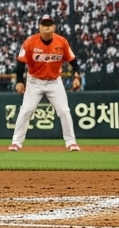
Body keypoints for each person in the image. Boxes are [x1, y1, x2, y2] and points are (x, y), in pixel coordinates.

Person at [9, 16, 81, 152]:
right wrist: (19, 81)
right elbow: (20, 63)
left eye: (49, 24)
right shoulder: (30, 42)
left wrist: (77, 77)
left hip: (54, 82)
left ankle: (71, 142)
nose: (47, 27)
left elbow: (73, 61)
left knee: (64, 111)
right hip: (34, 82)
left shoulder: (62, 42)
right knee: (26, 110)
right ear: (39, 27)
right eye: (44, 24)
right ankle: (16, 142)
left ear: (54, 27)